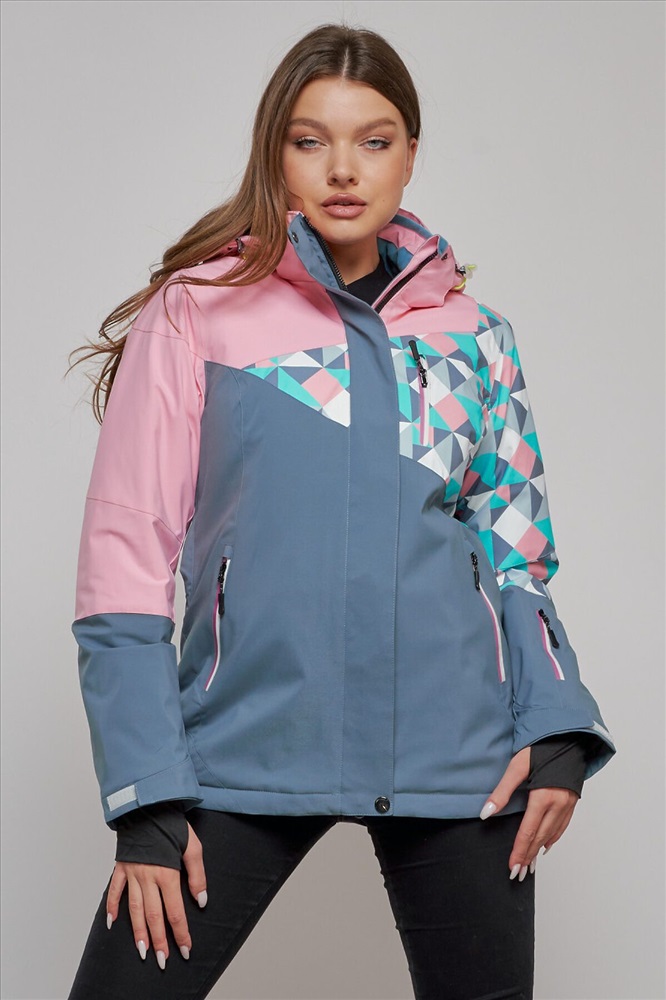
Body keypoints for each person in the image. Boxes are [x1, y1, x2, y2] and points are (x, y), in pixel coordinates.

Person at [66, 23, 615, 1000]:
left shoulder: (476, 337)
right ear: (274, 151)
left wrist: (559, 725)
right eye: (310, 139)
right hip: (246, 741)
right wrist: (144, 790)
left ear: (411, 153)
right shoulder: (198, 311)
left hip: (462, 758)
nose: (344, 169)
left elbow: (516, 553)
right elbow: (125, 559)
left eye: (374, 139)